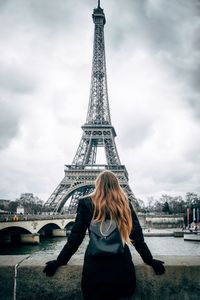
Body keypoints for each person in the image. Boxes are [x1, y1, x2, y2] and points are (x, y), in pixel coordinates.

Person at [43, 170, 165, 300]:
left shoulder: (85, 203)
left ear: (97, 184)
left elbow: (75, 238)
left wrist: (59, 261)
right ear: (117, 185)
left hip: (95, 269)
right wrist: (149, 260)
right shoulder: (125, 203)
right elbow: (137, 238)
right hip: (121, 269)